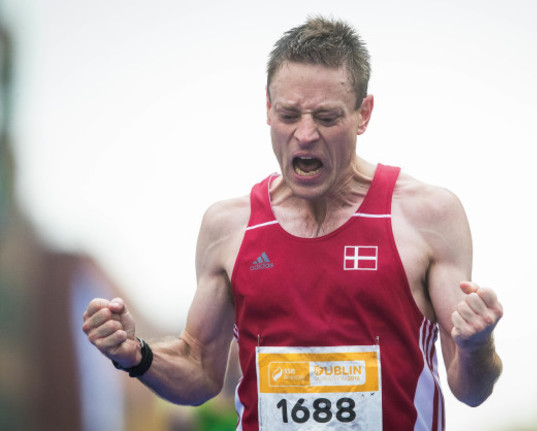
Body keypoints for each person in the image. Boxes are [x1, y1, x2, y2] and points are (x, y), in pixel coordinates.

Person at [82, 16, 503, 430]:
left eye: (326, 118)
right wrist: (135, 354)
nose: (304, 135)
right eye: (288, 115)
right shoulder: (229, 228)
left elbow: (470, 389)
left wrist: (477, 345)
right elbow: (199, 369)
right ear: (267, 107)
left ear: (364, 113)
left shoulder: (425, 215)